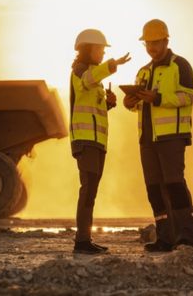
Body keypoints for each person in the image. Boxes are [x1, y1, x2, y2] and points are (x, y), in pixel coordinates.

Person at [123, 19, 193, 252]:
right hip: (147, 139)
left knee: (175, 185)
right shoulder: (143, 71)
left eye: (155, 43)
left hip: (171, 137)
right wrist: (130, 101)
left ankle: (186, 236)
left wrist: (158, 99)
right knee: (154, 190)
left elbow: (187, 97)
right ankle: (164, 238)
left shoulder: (180, 66)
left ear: (166, 41)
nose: (151, 48)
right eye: (148, 44)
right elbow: (138, 106)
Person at [70, 28, 130, 254]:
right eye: (100, 49)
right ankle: (81, 241)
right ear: (88, 49)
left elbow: (93, 108)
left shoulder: (94, 75)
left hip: (96, 141)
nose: (103, 54)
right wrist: (113, 65)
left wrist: (109, 104)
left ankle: (85, 239)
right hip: (85, 141)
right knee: (88, 189)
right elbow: (87, 79)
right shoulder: (80, 71)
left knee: (91, 190)